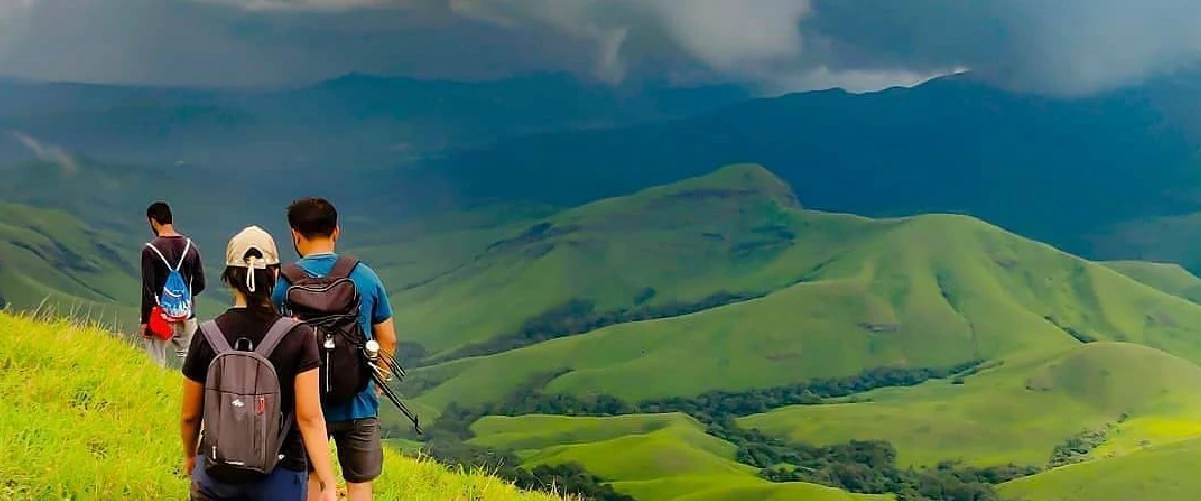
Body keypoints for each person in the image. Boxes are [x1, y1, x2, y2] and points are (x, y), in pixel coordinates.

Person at [179, 225, 339, 501]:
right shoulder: (298, 336)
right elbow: (310, 418)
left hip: (215, 474)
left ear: (229, 277)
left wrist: (192, 456)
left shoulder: (207, 335)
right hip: (280, 476)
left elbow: (190, 415)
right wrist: (326, 482)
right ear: (275, 275)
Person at [272, 197, 396, 501]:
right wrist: (377, 378)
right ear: (336, 231)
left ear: (295, 235)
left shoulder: (284, 283)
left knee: (311, 480)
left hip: (304, 404)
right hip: (359, 401)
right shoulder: (365, 276)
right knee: (360, 485)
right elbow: (388, 338)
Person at [141, 201, 206, 368]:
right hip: (187, 314)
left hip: (159, 316)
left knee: (156, 362)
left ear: (153, 221)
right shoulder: (191, 247)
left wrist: (146, 322)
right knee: (190, 363)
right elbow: (200, 283)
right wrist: (182, 298)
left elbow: (148, 289)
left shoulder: (150, 250)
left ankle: (157, 392)